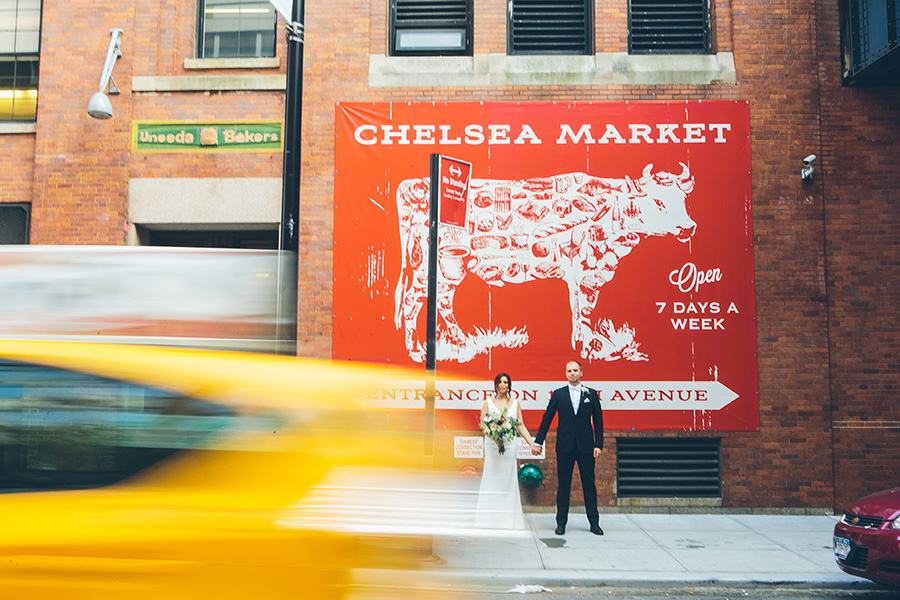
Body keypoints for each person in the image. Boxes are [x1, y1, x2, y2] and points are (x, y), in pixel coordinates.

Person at [532, 360, 604, 536]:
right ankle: (561, 523)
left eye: (575, 370)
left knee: (589, 485)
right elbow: (547, 418)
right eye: (569, 371)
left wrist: (598, 444)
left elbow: (599, 421)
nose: (572, 373)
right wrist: (538, 442)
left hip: (586, 446)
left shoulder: (591, 394)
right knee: (564, 485)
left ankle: (594, 523)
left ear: (581, 372)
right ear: (565, 374)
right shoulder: (558, 394)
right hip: (564, 446)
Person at [474, 372, 535, 529]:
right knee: (491, 479)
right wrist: (494, 437)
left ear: (509, 385)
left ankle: (508, 521)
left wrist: (531, 444)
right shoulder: (488, 402)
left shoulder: (515, 403)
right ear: (495, 385)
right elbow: (482, 425)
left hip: (509, 447)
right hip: (493, 446)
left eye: (506, 382)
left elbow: (520, 425)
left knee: (507, 482)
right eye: (500, 382)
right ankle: (488, 520)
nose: (503, 385)